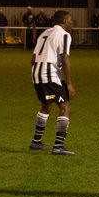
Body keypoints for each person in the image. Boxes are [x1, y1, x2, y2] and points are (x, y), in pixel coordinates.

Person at [28, 10, 77, 155]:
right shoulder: (64, 35)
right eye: (70, 20)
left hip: (37, 75)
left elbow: (33, 58)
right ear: (63, 21)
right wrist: (69, 83)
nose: (71, 22)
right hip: (49, 75)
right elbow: (65, 58)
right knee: (65, 107)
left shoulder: (44, 33)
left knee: (46, 104)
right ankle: (58, 146)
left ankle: (36, 142)